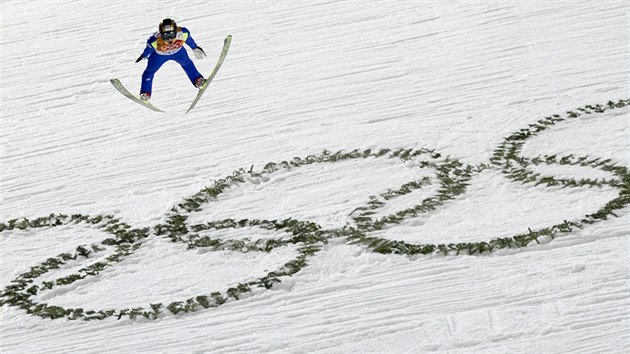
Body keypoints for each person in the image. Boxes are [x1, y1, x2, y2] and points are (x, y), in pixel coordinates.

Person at [135, 18, 207, 101]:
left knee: (187, 63)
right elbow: (148, 49)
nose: (169, 39)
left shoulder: (183, 33)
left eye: (172, 35)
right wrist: (144, 55)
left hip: (178, 52)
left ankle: (197, 80)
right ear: (161, 34)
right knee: (149, 72)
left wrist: (194, 47)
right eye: (166, 36)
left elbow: (189, 40)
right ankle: (145, 93)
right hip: (159, 55)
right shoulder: (154, 40)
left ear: (176, 31)